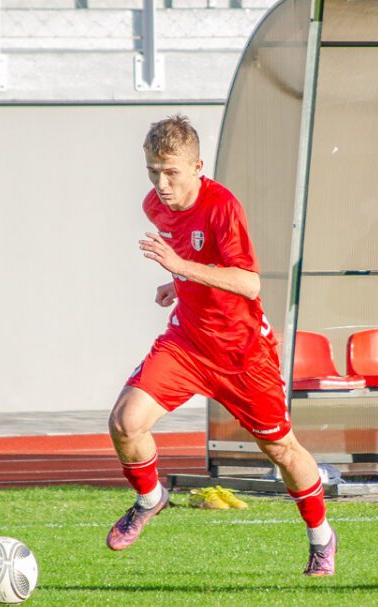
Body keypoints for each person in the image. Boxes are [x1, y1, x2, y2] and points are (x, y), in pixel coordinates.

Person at [105, 115, 337, 576]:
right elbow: (195, 261)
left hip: (241, 355)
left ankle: (322, 539)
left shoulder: (222, 206)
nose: (161, 183)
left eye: (171, 172)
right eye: (153, 171)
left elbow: (249, 283)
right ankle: (151, 499)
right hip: (188, 343)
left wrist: (181, 267)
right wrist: (179, 284)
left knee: (282, 451)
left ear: (197, 167)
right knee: (125, 422)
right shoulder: (155, 206)